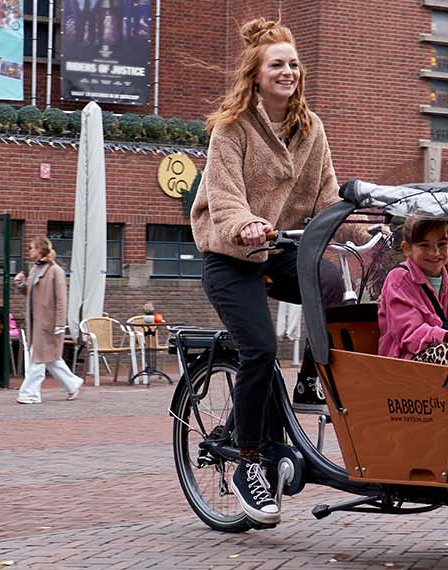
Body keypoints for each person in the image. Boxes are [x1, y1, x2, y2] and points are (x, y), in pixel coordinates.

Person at [186, 18, 338, 526]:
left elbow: (327, 198)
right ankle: (249, 463)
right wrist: (247, 225)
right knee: (261, 348)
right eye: (278, 64)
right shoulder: (231, 129)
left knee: (336, 284)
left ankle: (311, 381)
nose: (289, 71)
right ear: (256, 73)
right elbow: (225, 199)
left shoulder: (310, 128)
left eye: (294, 64)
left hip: (280, 250)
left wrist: (371, 220)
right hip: (230, 255)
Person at [378, 218, 448, 362]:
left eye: (442, 244)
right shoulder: (399, 279)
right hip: (404, 364)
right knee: (446, 352)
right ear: (407, 249)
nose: (435, 253)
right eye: (424, 245)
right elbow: (409, 333)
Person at [13, 236, 84, 404]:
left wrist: (60, 323)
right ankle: (72, 384)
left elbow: (61, 299)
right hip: (36, 322)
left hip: (48, 323)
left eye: (31, 248)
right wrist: (21, 285)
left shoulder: (55, 271)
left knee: (38, 359)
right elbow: (31, 293)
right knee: (50, 359)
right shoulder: (35, 270)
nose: (29, 251)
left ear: (40, 250)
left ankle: (30, 394)